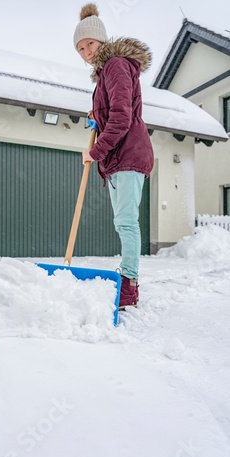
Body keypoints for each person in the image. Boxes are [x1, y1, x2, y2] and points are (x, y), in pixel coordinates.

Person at [73, 3, 154, 309]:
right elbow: (113, 111)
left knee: (127, 222)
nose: (85, 53)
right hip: (122, 156)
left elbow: (121, 117)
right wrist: (97, 113)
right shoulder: (107, 72)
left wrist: (95, 152)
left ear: (101, 41)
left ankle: (129, 286)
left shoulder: (116, 64)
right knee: (123, 223)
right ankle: (128, 282)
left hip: (129, 153)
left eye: (89, 44)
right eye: (80, 48)